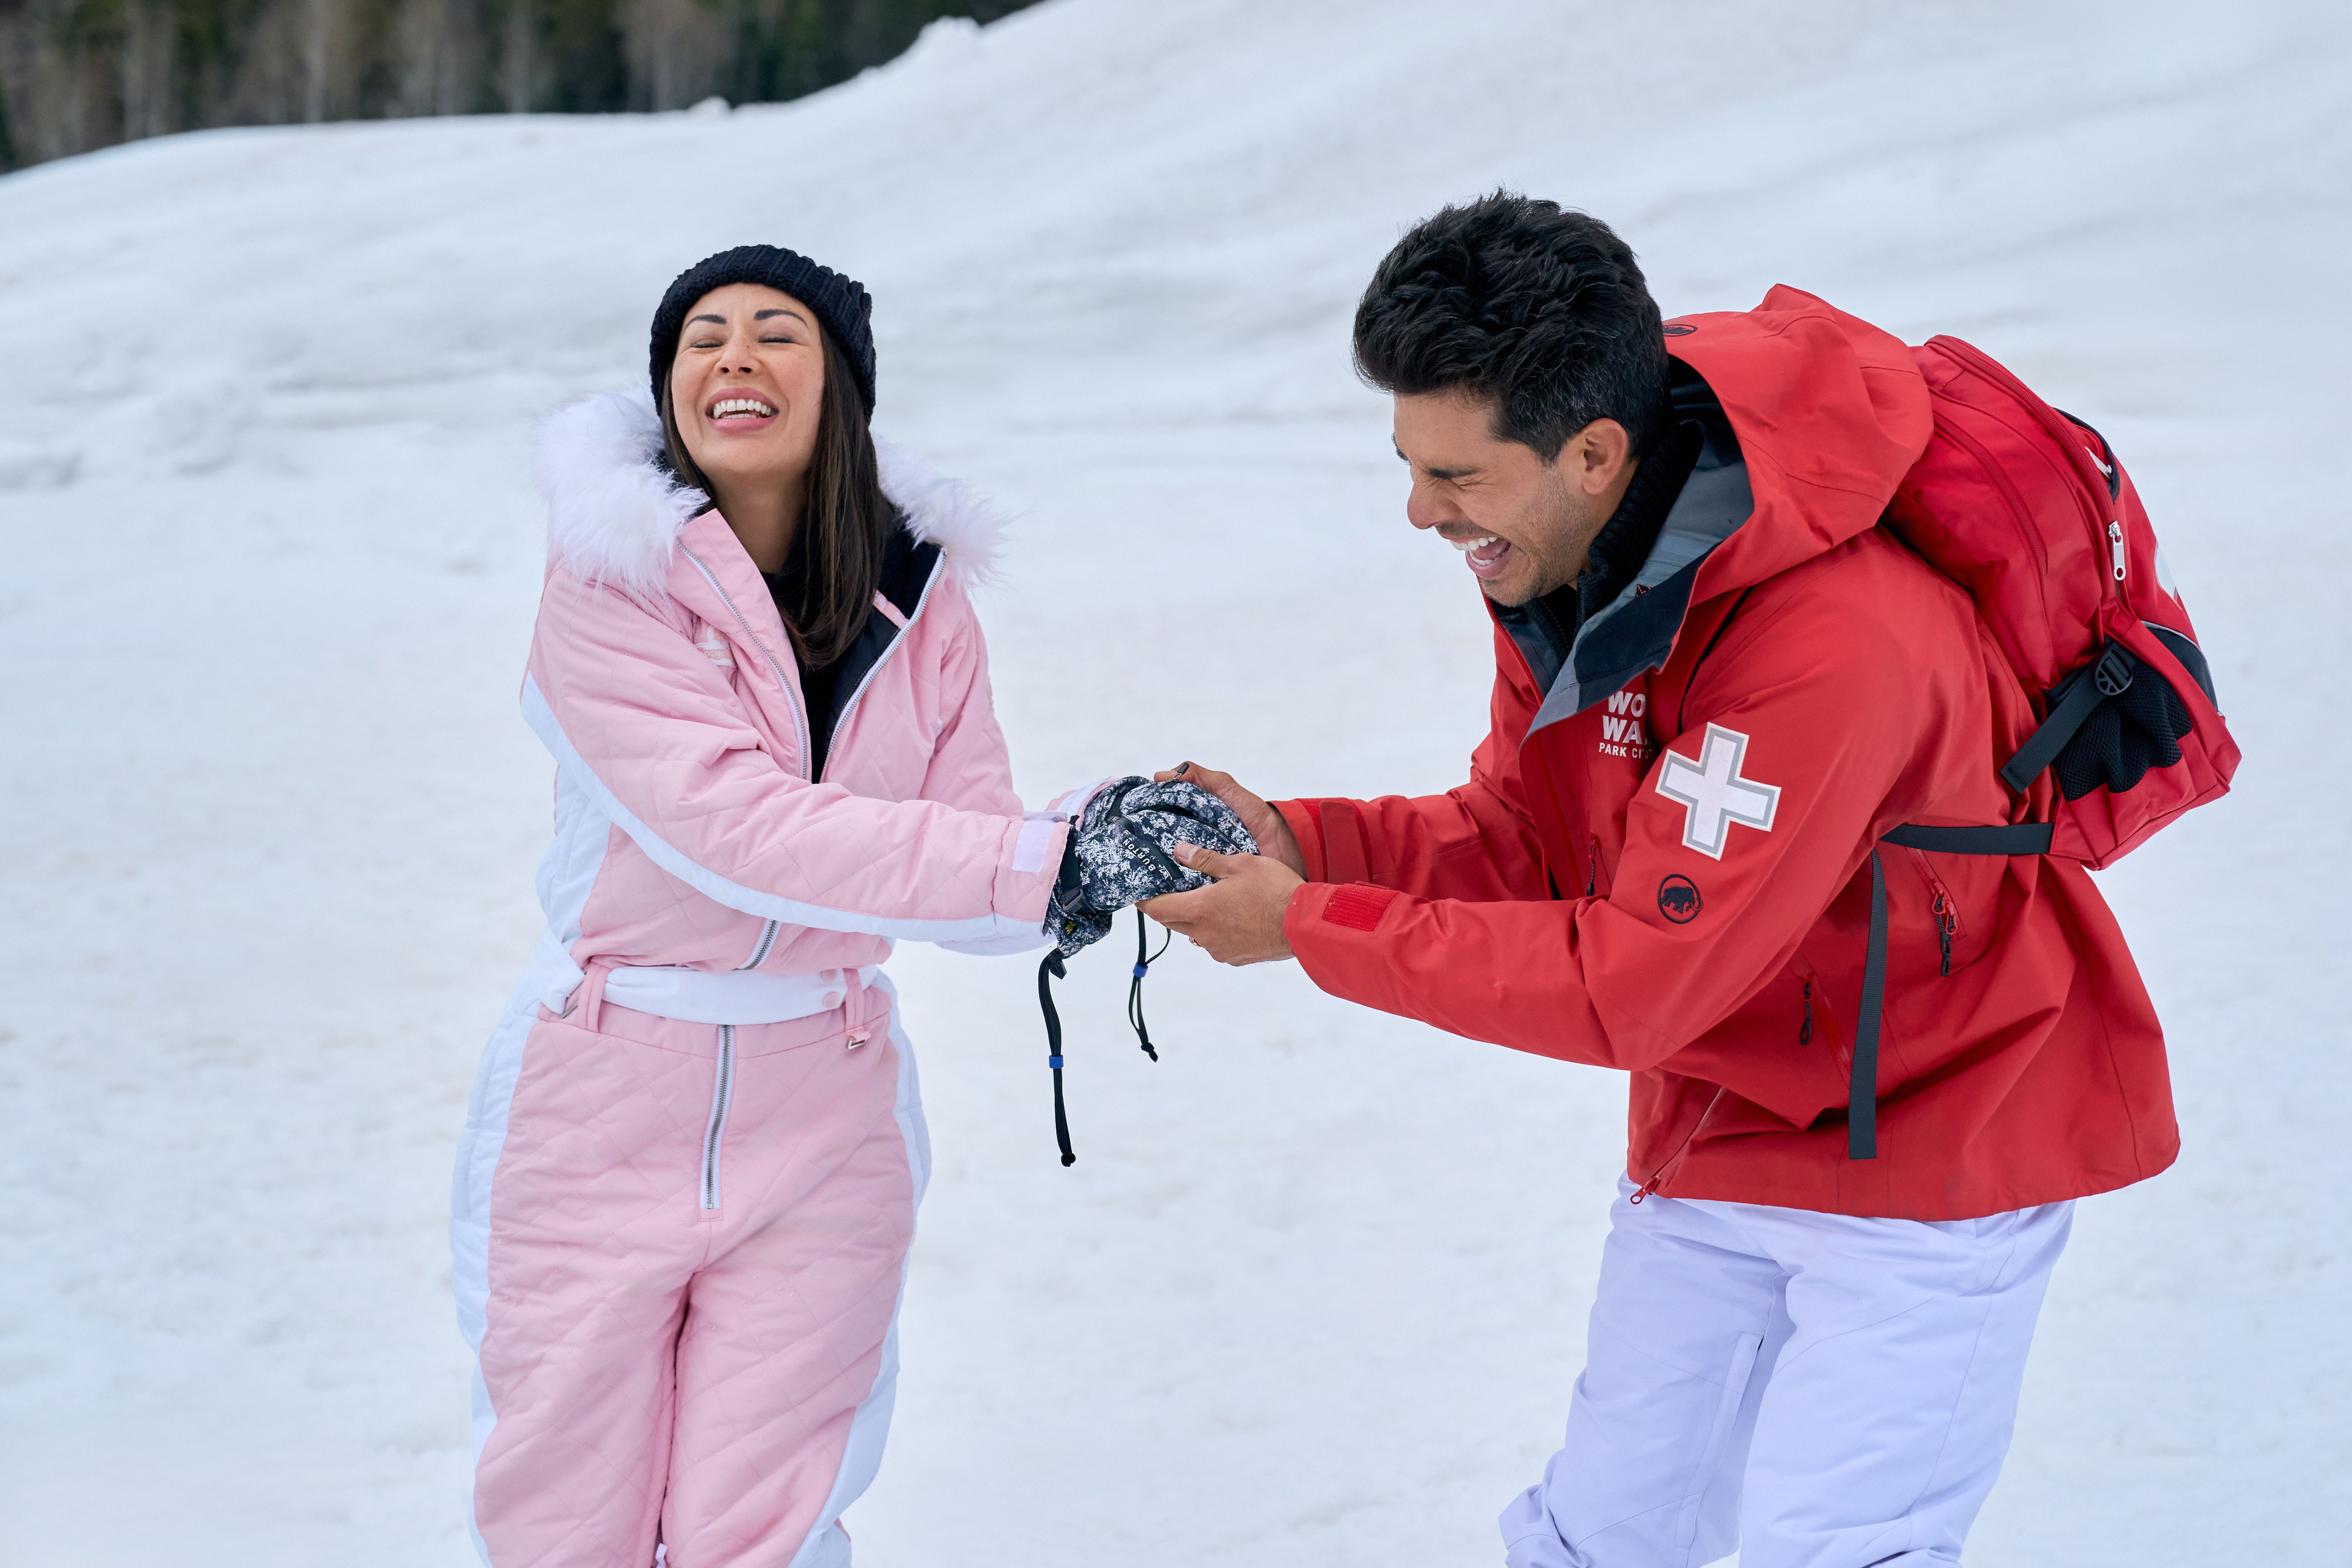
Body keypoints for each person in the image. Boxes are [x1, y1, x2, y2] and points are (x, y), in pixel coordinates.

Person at [1144, 194, 2182, 1568]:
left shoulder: (1833, 644)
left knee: (1839, 1548)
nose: (1420, 513)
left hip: (1943, 1132)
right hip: (1727, 1116)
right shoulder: (1573, 562)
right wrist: (1302, 839)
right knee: (1604, 1535)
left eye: (1456, 477)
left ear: (1594, 452)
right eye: (1409, 463)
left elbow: (1636, 979)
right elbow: (1531, 838)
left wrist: (1312, 931)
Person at [449, 245, 1079, 1567]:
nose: (733, 357)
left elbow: (970, 855)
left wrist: (1091, 861)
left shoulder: (926, 599)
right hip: (604, 1085)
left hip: (828, 1098)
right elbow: (729, 830)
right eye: (703, 338)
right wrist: (1028, 864)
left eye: (775, 332)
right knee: (570, 1510)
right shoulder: (608, 573)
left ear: (840, 385)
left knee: (776, 1521)